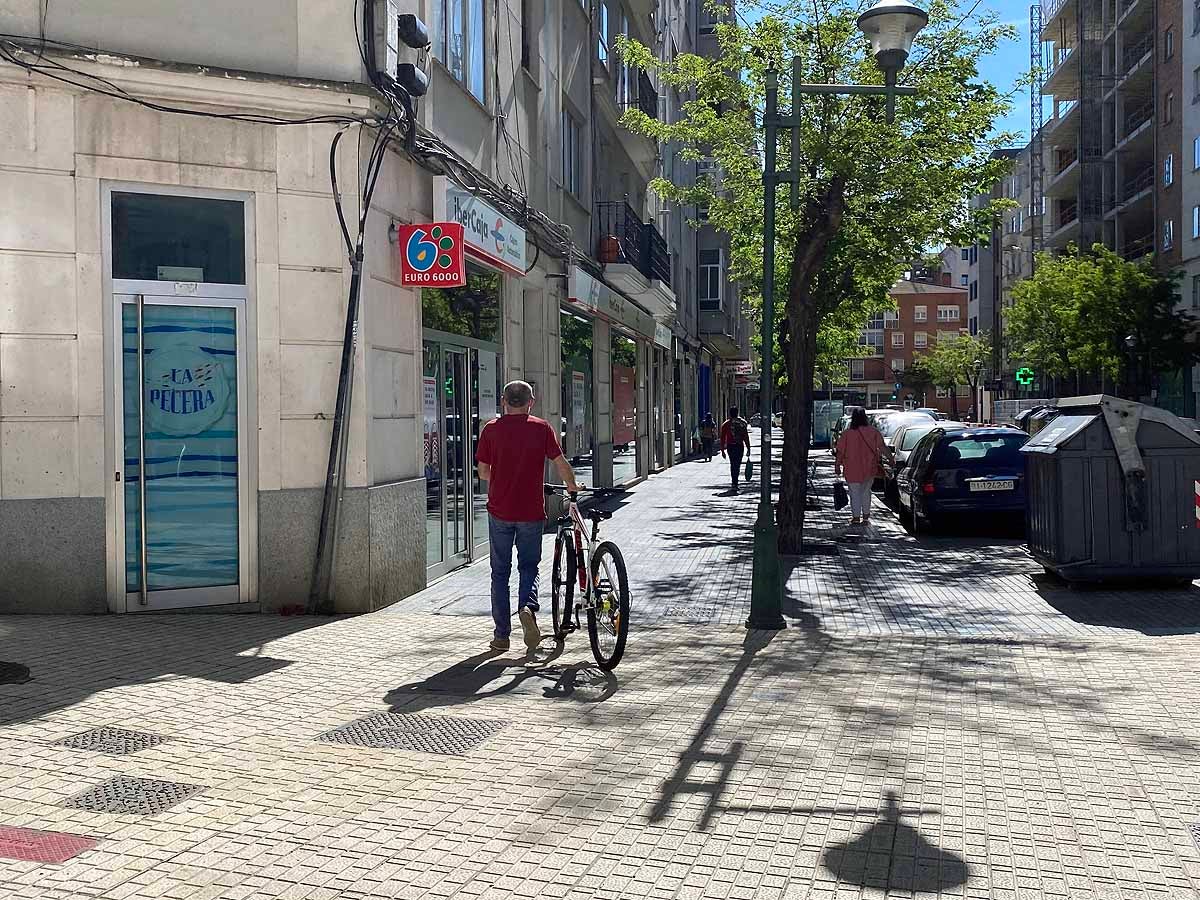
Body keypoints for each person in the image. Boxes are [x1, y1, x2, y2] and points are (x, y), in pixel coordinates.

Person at [476, 380, 579, 652]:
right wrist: (572, 486)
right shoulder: (541, 428)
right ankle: (527, 607)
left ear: (503, 401)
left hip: (499, 509)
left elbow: (483, 472)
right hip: (531, 511)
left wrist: (502, 477)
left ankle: (501, 636)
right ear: (531, 402)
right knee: (528, 566)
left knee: (499, 571)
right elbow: (559, 462)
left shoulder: (491, 430)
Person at [834, 408, 891, 526]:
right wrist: (891, 459)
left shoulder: (846, 434)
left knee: (854, 493)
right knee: (866, 491)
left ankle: (855, 517)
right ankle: (866, 516)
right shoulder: (873, 432)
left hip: (852, 468)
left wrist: (837, 465)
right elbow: (882, 447)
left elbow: (840, 452)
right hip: (869, 468)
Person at [719, 407, 752, 492]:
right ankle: (735, 483)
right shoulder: (742, 423)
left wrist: (722, 450)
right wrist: (748, 448)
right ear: (737, 413)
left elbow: (722, 438)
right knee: (737, 465)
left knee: (733, 464)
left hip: (730, 447)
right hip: (739, 446)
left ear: (730, 413)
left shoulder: (726, 424)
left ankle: (734, 483)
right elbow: (746, 437)